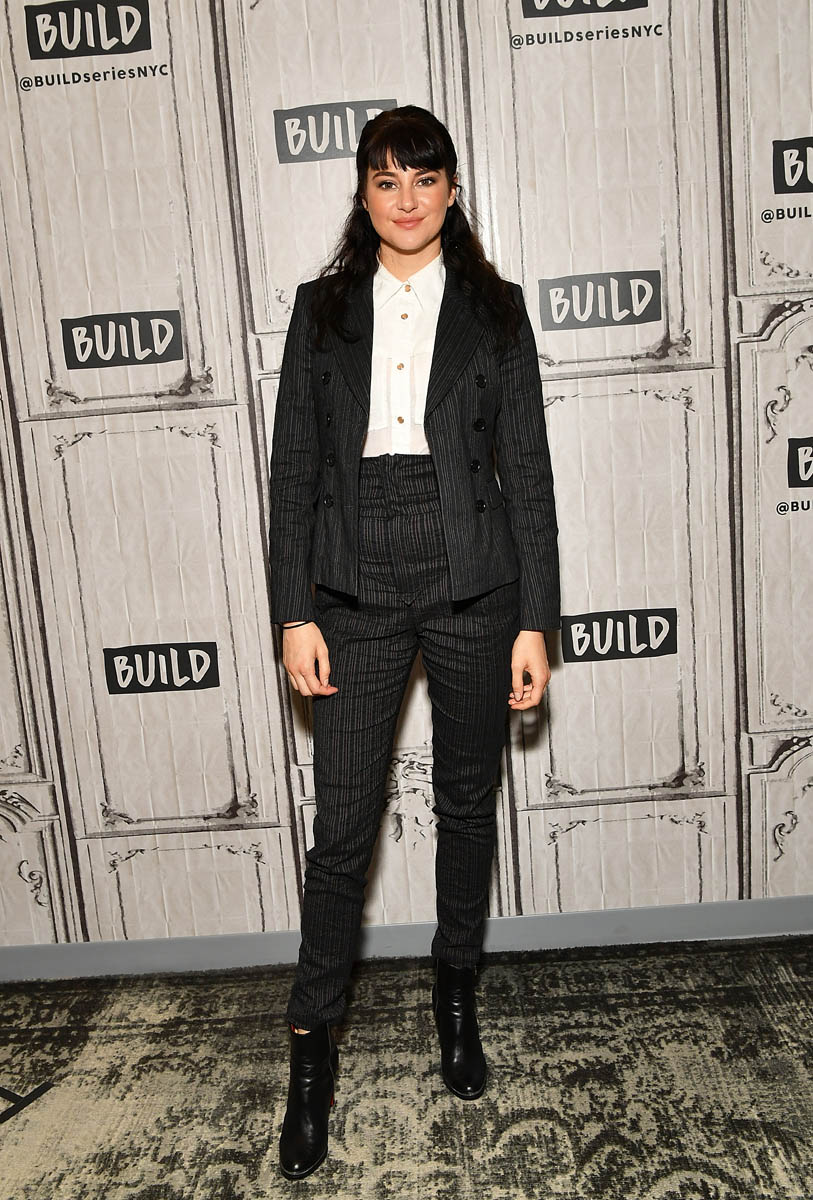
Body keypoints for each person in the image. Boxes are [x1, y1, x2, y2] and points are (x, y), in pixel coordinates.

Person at [268, 104, 560, 1180]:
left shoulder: (494, 309)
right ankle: (309, 1059)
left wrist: (535, 620)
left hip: (475, 577)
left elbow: (528, 473)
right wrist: (294, 610)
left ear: (450, 190)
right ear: (362, 190)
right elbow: (293, 470)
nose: (405, 199)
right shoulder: (319, 311)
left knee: (467, 807)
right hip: (351, 582)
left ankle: (455, 996)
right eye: (385, 179)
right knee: (343, 829)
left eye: (423, 179)